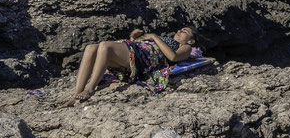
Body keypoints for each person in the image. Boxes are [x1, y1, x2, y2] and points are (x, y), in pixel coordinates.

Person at [61, 27, 197, 107]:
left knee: (105, 45)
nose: (179, 31)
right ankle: (76, 95)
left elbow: (173, 57)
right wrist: (134, 37)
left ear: (191, 40)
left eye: (184, 31)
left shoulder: (186, 47)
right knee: (91, 48)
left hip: (144, 59)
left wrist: (155, 37)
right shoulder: (165, 39)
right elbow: (137, 44)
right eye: (180, 29)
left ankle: (90, 89)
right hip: (135, 51)